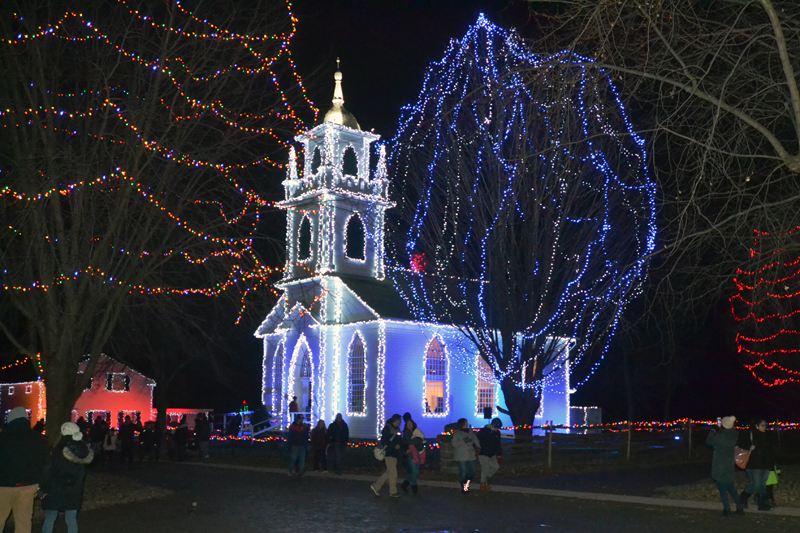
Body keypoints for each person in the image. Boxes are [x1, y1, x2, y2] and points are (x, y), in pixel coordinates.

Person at [0, 406, 49, 533]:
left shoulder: (3, 438)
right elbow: (44, 462)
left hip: (4, 484)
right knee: (23, 521)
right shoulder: (37, 438)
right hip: (28, 484)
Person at [41, 422, 94, 533]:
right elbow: (81, 473)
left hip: (55, 489)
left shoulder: (57, 450)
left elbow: (49, 470)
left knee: (50, 517)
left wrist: (43, 488)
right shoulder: (82, 450)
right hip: (74, 491)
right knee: (71, 519)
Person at [706, 416, 744, 516]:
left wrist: (714, 430)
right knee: (731, 487)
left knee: (722, 489)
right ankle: (740, 507)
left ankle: (727, 509)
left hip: (720, 465)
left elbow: (709, 442)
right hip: (729, 465)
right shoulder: (734, 435)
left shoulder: (720, 436)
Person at [738, 418, 776, 511]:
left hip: (765, 463)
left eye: (765, 426)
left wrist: (772, 463)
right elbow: (740, 444)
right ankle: (743, 497)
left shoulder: (767, 435)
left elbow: (770, 450)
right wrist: (749, 447)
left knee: (762, 484)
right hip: (753, 463)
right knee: (756, 483)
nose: (764, 428)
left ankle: (761, 503)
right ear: (756, 426)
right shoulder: (750, 434)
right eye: (762, 425)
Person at [371, 414, 404, 498]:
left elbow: (399, 440)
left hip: (394, 454)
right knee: (393, 473)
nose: (401, 422)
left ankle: (376, 486)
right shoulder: (387, 428)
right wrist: (394, 446)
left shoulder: (397, 429)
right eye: (400, 420)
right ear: (396, 420)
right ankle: (393, 491)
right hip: (389, 454)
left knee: (388, 472)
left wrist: (399, 445)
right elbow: (384, 441)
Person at [451, 418, 480, 494]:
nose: (467, 423)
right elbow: (454, 443)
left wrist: (479, 446)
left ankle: (466, 482)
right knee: (463, 471)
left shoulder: (470, 432)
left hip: (470, 454)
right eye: (465, 422)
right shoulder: (457, 433)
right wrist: (462, 442)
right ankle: (464, 488)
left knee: (472, 470)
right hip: (461, 454)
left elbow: (475, 439)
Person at [477, 417, 503, 491]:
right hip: (483, 453)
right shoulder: (484, 431)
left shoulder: (497, 433)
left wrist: (499, 454)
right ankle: (483, 484)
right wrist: (478, 448)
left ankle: (486, 480)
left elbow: (498, 444)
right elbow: (477, 440)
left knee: (496, 467)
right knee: (485, 469)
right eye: (497, 428)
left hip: (492, 454)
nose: (497, 429)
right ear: (493, 425)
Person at [400, 413, 420, 494]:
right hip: (411, 454)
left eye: (410, 424)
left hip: (417, 453)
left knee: (415, 472)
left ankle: (405, 484)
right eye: (407, 424)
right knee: (414, 472)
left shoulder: (415, 432)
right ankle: (414, 487)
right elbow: (410, 442)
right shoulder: (407, 434)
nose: (409, 425)